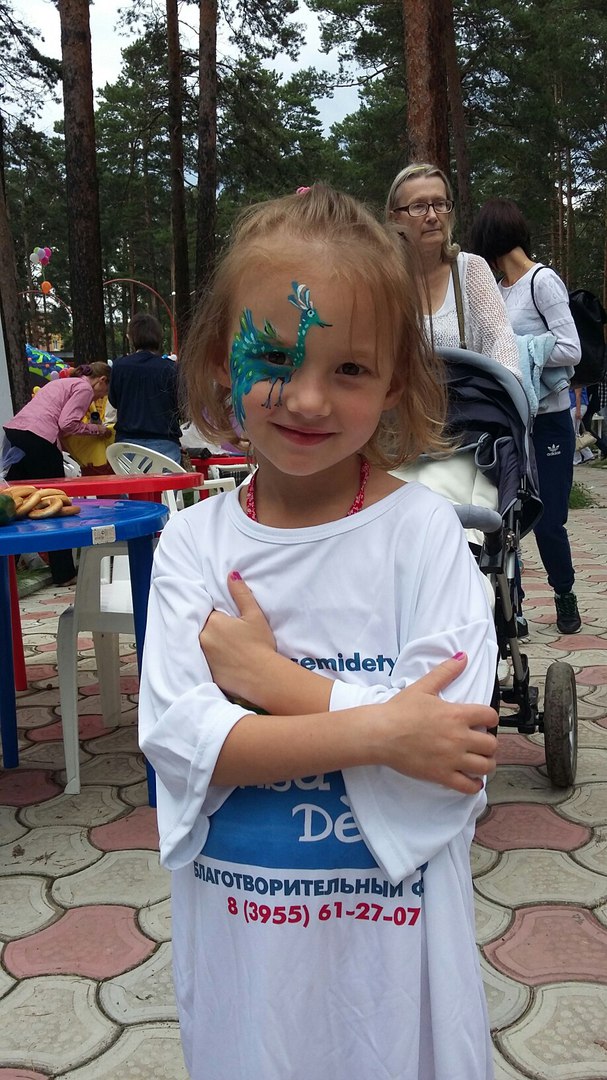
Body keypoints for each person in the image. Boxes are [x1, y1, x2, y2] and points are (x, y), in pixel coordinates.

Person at [139, 185, 499, 1080]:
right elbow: (182, 741)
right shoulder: (194, 545)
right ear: (219, 360)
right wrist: (381, 730)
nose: (306, 398)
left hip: (394, 970)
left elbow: (450, 750)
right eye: (272, 356)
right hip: (249, 965)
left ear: (395, 381)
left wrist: (271, 685)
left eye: (349, 370)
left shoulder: (423, 536)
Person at [470, 197, 582, 634]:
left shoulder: (542, 281)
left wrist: (523, 350)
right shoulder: (497, 291)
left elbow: (570, 348)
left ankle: (565, 594)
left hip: (550, 419)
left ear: (490, 239)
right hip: (512, 421)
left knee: (550, 520)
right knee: (508, 520)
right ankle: (511, 608)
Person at [385, 162, 521, 377]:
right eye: (418, 206)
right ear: (395, 218)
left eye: (440, 204)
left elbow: (500, 338)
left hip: (467, 397)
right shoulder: (382, 278)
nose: (432, 216)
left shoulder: (471, 269)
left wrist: (506, 383)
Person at [3, 363, 110, 585]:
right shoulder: (84, 388)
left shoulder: (62, 383)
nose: (100, 398)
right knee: (56, 501)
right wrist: (97, 430)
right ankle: (64, 573)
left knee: (12, 503)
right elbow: (67, 423)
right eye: (104, 392)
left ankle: (6, 568)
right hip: (40, 439)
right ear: (102, 380)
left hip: (17, 432)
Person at [109, 312, 182, 462]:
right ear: (158, 337)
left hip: (127, 445)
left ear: (131, 337)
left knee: (129, 479)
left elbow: (114, 401)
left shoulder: (119, 366)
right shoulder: (170, 369)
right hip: (165, 444)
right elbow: (181, 405)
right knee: (168, 479)